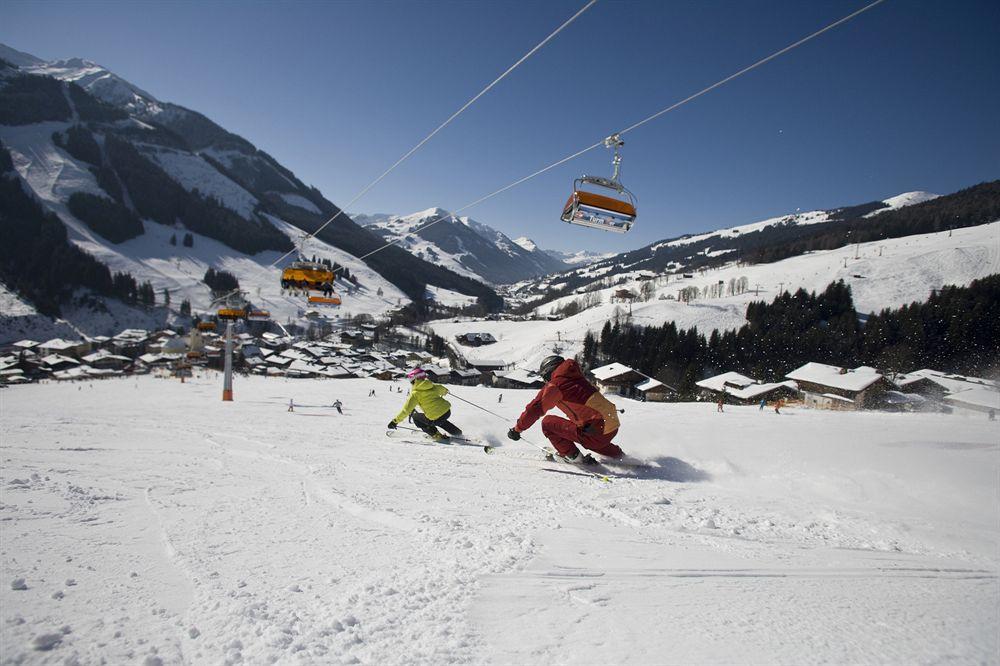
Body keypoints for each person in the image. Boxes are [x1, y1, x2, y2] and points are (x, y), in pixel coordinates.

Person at [507, 356, 624, 464]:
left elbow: (535, 409)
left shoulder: (556, 385)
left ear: (548, 372)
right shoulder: (575, 376)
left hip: (596, 429)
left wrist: (517, 429)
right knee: (586, 433)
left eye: (545, 378)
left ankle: (574, 457)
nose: (545, 381)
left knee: (548, 423)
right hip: (611, 425)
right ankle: (618, 455)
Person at [387, 368, 462, 441]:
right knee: (439, 419)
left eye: (411, 381)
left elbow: (406, 410)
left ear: (414, 380)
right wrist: (445, 391)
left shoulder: (415, 394)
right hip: (447, 412)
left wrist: (395, 421)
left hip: (435, 417)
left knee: (416, 417)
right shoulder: (432, 386)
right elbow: (443, 390)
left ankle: (436, 435)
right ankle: (457, 432)